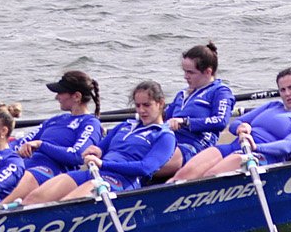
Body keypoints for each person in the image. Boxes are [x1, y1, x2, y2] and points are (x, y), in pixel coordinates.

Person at [21, 81, 176, 203]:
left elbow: (145, 168)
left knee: (66, 204)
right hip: (94, 173)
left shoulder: (165, 136)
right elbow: (98, 149)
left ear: (160, 103)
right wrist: (94, 152)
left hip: (120, 181)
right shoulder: (125, 125)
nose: (141, 110)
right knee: (34, 199)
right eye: (137, 105)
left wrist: (103, 164)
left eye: (147, 105)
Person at [175, 68, 291, 180]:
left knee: (210, 176)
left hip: (259, 156)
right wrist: (242, 127)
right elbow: (234, 124)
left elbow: (287, 146)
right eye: (283, 89)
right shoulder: (272, 105)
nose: (287, 94)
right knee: (183, 176)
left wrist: (256, 146)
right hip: (233, 146)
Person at [3, 71, 104, 203]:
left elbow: (78, 155)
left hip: (50, 171)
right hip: (25, 164)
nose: (57, 97)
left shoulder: (90, 123)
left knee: (23, 180)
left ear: (77, 96)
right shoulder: (56, 119)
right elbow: (23, 141)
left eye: (60, 93)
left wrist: (41, 145)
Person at [154, 43, 236, 180]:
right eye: (184, 71)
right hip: (170, 140)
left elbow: (220, 121)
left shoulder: (220, 91)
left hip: (195, 145)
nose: (185, 77)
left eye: (190, 72)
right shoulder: (182, 94)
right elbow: (163, 118)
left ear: (208, 72)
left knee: (149, 165)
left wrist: (185, 122)